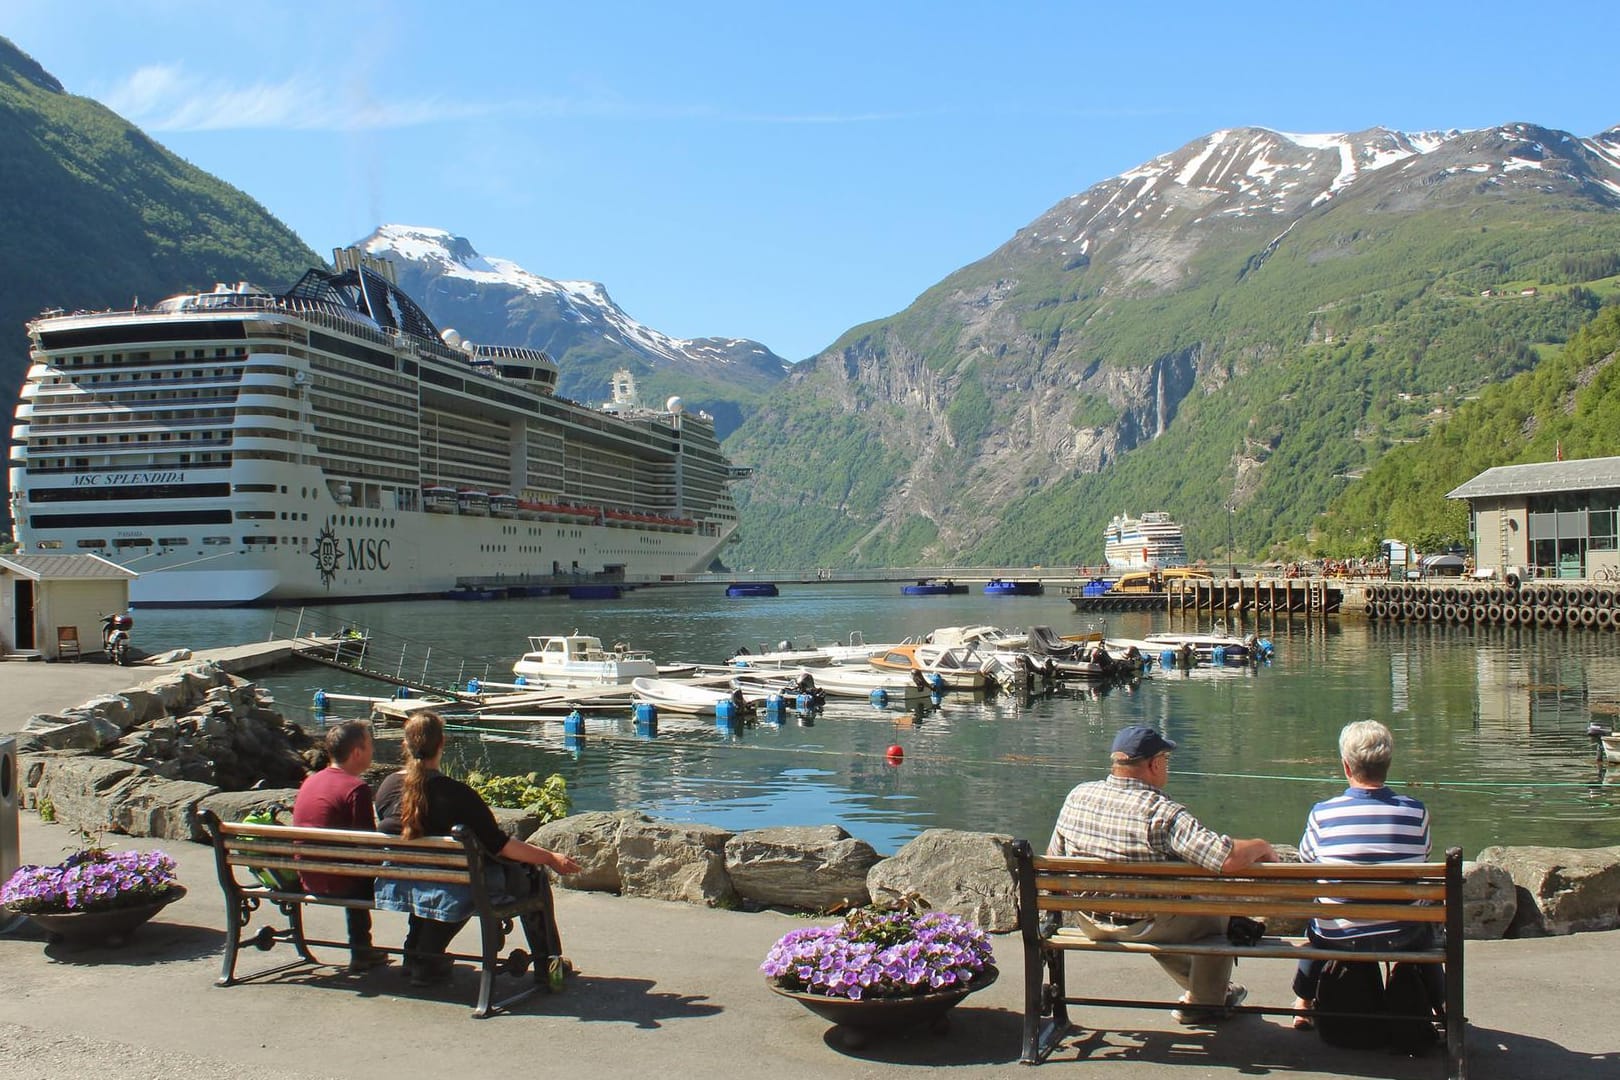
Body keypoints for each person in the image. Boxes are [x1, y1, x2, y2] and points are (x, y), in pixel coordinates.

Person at [1048, 724, 1277, 1025]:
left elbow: (1053, 860)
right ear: (1154, 764)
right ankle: (1206, 1002)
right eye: (1166, 760)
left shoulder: (1077, 796)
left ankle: (1206, 992)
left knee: (1168, 912)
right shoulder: (1163, 813)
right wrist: (1260, 845)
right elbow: (1225, 858)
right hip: (1147, 925)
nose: (1167, 766)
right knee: (1215, 916)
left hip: (1089, 922)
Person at [373, 711, 582, 985]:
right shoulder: (457, 795)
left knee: (432, 874)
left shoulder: (387, 788)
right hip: (460, 885)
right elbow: (501, 845)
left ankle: (420, 955)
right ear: (441, 743)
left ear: (406, 744)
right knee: (533, 876)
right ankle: (548, 965)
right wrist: (550, 857)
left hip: (406, 881)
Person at [1290, 720, 1444, 1029]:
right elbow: (1422, 859)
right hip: (1402, 936)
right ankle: (1443, 1007)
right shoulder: (1416, 812)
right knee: (1423, 926)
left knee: (1319, 916)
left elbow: (1307, 861)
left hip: (1338, 936)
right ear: (1388, 764)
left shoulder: (1323, 813)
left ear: (1347, 766)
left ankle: (1303, 1003)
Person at [291, 720, 389, 972]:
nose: (373, 751)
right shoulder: (356, 788)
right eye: (370, 746)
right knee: (410, 879)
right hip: (343, 883)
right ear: (357, 752)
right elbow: (368, 846)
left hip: (309, 876)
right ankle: (421, 953)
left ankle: (362, 950)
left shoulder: (310, 782)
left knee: (350, 866)